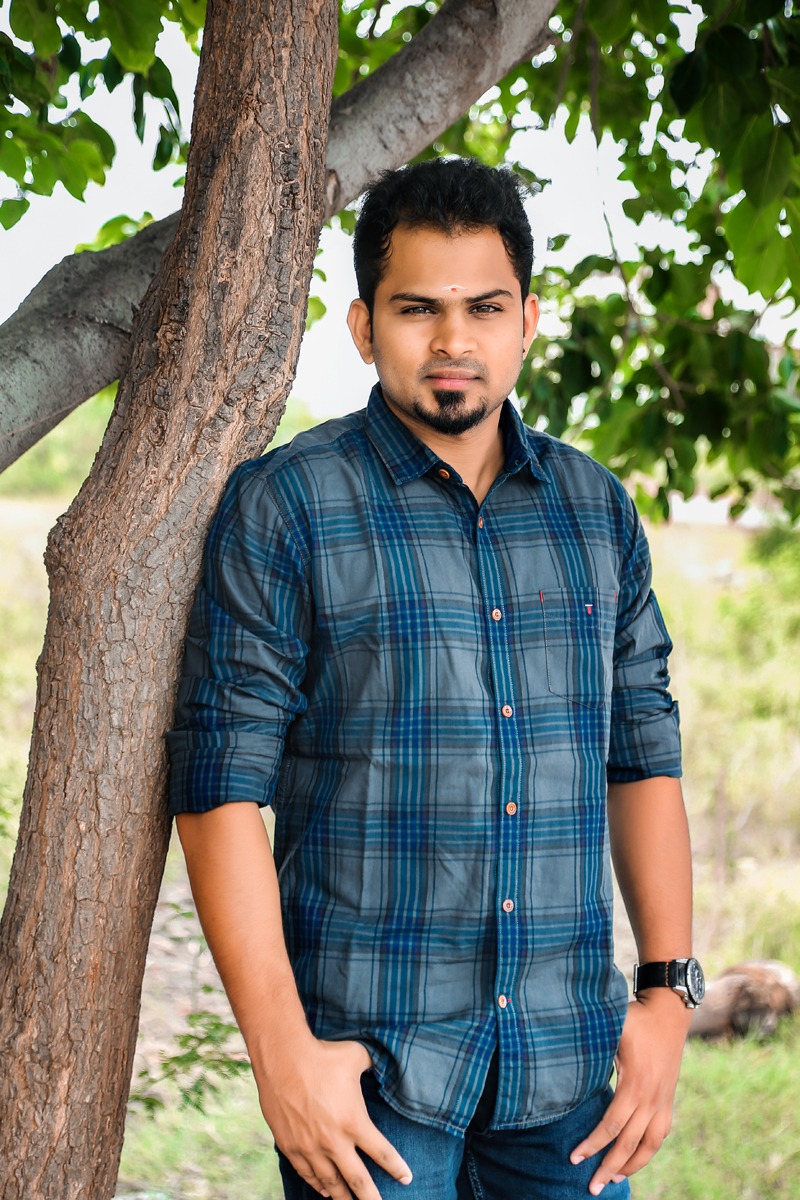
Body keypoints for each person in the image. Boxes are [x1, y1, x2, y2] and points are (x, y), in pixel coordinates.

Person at [167, 157, 703, 1200]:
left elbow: (642, 755)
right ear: (364, 327)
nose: (454, 341)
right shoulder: (289, 504)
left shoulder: (595, 511)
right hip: (371, 1088)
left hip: (568, 1081)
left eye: (484, 308)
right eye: (418, 309)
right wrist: (280, 1057)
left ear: (527, 322)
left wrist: (666, 998)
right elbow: (218, 784)